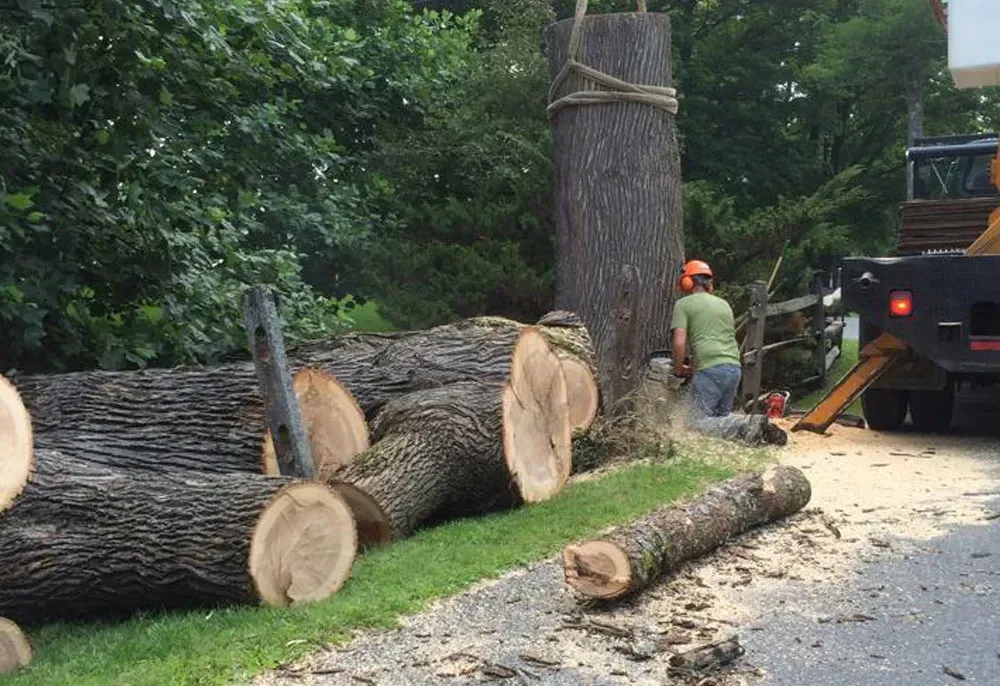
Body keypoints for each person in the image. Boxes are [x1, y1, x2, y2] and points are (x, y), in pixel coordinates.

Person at [670, 260, 786, 445]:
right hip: (733, 368)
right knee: (719, 420)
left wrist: (678, 368)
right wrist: (693, 362)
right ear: (709, 283)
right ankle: (759, 432)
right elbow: (715, 337)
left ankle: (746, 424)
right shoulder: (724, 304)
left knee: (694, 423)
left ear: (687, 282)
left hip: (711, 368)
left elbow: (679, 342)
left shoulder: (683, 304)